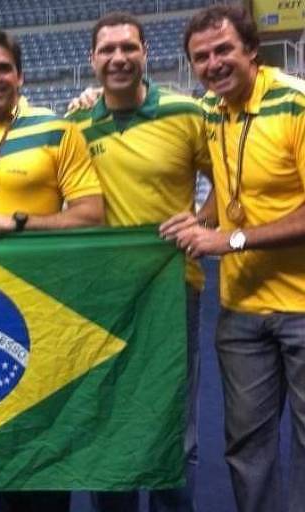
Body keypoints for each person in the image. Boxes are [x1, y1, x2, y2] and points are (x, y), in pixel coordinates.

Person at [0, 30, 103, 511]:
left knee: (47, 441)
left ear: (20, 76)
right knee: (3, 440)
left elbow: (90, 215)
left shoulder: (58, 130)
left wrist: (14, 223)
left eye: (3, 69)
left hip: (47, 306)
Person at [64, 12, 212, 512]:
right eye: (107, 50)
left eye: (128, 48)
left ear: (146, 51)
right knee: (106, 418)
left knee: (173, 423)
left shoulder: (187, 112)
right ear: (92, 60)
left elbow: (234, 179)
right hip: (100, 298)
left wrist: (203, 223)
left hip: (172, 288)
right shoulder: (75, 123)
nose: (118, 58)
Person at [160, 5, 305, 512]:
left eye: (223, 50)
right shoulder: (210, 112)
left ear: (251, 49)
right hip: (241, 311)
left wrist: (231, 240)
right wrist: (202, 220)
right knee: (248, 449)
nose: (213, 64)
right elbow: (229, 188)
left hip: (302, 309)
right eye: (201, 57)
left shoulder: (296, 104)